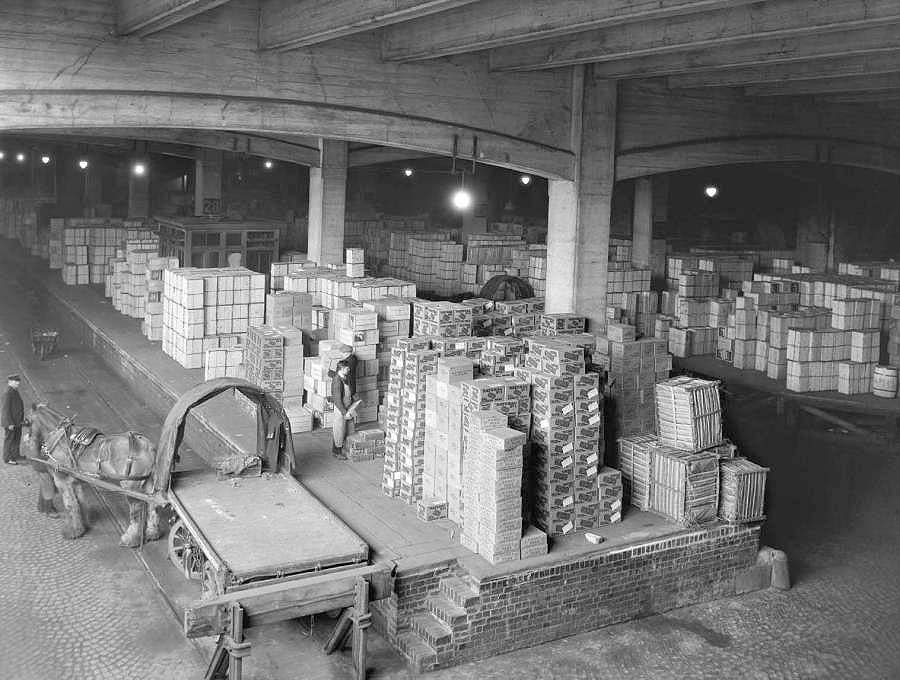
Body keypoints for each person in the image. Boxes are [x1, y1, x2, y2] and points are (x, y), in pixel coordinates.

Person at [331, 360, 357, 459]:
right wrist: (344, 412)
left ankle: (345, 448)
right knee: (339, 429)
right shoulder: (337, 381)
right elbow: (337, 399)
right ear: (341, 369)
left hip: (348, 406)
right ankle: (337, 452)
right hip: (341, 408)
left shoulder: (345, 378)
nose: (349, 369)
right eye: (347, 368)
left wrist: (354, 400)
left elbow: (349, 391)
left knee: (348, 429)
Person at [2, 374, 25, 465]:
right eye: (15, 381)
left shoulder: (14, 391)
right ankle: (7, 458)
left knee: (16, 439)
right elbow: (5, 409)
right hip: (11, 422)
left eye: (18, 381)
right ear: (10, 382)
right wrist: (9, 423)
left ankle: (16, 455)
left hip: (17, 422)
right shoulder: (8, 392)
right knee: (9, 440)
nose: (18, 383)